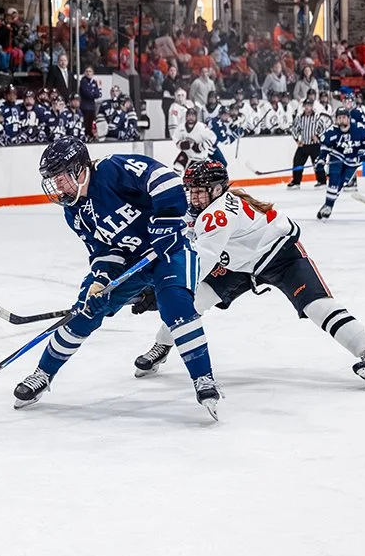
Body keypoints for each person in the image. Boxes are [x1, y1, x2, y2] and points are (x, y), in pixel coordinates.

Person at [132, 161, 365, 387]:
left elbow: (201, 261)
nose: (195, 197)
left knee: (317, 306)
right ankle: (162, 345)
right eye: (192, 191)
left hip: (280, 255)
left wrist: (165, 289)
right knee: (194, 301)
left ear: (218, 189)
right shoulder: (201, 209)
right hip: (237, 264)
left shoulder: (218, 214)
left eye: (201, 191)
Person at [13, 138, 220, 419]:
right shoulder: (73, 211)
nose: (57, 186)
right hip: (134, 261)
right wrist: (100, 282)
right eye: (53, 180)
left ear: (79, 169)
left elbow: (164, 179)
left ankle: (203, 379)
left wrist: (167, 222)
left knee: (176, 305)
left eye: (60, 178)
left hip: (171, 248)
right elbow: (104, 251)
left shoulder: (112, 170)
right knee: (84, 313)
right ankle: (43, 374)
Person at [315, 106, 365, 220]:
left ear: (348, 118)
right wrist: (321, 159)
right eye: (339, 117)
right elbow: (325, 147)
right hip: (337, 157)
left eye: (344, 117)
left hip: (352, 161)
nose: (341, 119)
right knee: (334, 181)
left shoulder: (359, 129)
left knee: (341, 184)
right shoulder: (331, 131)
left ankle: (327, 204)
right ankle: (329, 207)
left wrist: (363, 153)